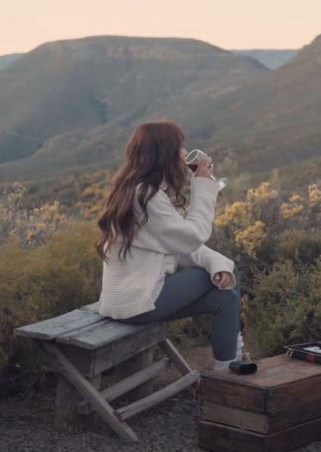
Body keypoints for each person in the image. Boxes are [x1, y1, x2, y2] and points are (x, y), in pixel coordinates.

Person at [95, 121, 242, 370]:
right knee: (229, 271)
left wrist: (218, 264)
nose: (184, 153)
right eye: (180, 146)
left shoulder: (134, 190)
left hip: (125, 299)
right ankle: (227, 372)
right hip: (137, 302)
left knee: (225, 296)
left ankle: (226, 369)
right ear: (165, 152)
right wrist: (204, 185)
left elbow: (177, 243)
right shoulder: (147, 197)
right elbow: (192, 236)